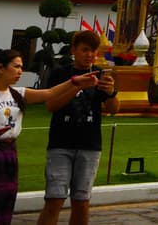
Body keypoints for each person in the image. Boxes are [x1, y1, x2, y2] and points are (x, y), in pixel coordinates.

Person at [0, 50, 95, 225]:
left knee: (5, 201)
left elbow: (49, 93)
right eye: (16, 66)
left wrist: (74, 82)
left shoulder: (18, 93)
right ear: (0, 68)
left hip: (9, 154)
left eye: (22, 67)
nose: (20, 71)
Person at [37, 30, 119, 225]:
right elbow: (51, 105)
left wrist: (111, 92)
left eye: (93, 51)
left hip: (89, 145)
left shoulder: (100, 74)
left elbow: (113, 110)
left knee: (82, 201)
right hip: (61, 144)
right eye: (84, 50)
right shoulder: (60, 74)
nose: (89, 55)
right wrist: (77, 86)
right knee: (54, 200)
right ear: (73, 50)